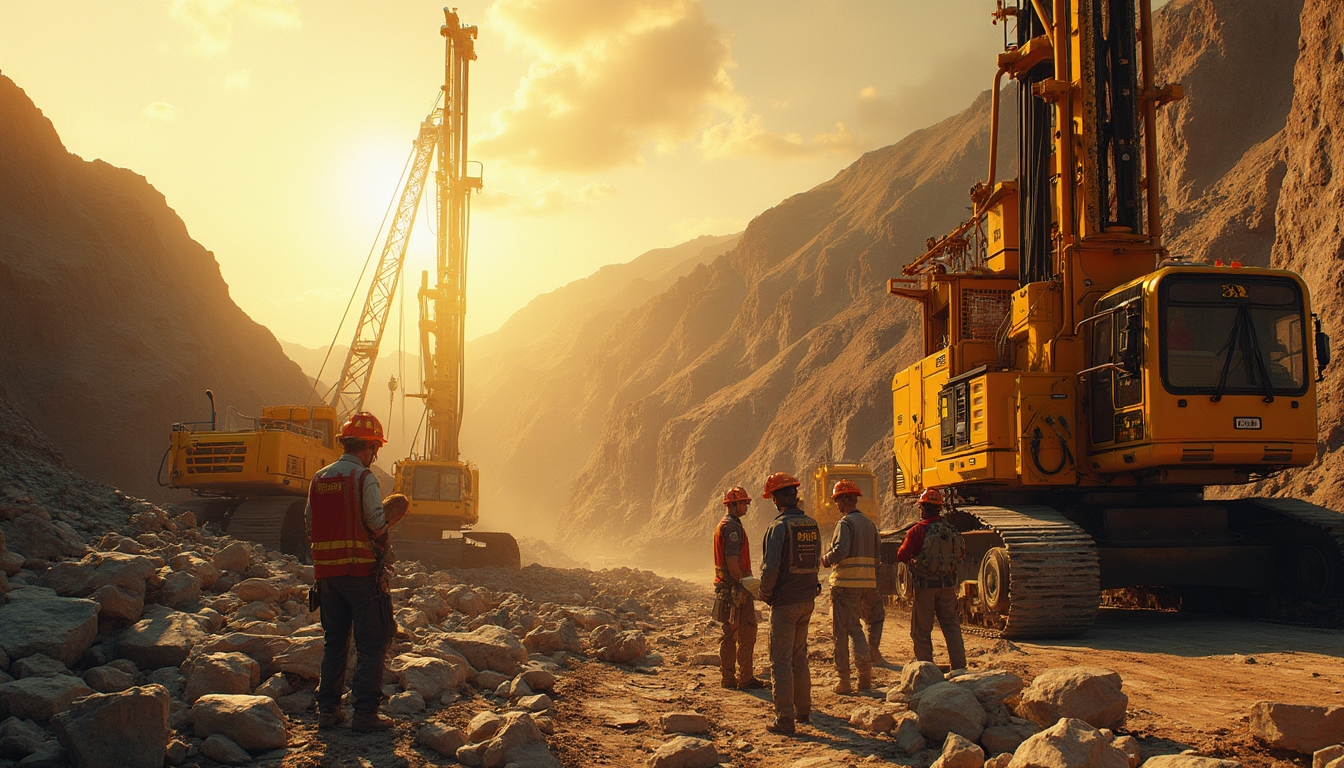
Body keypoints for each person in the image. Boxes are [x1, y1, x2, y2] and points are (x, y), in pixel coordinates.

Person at [308, 412, 404, 732]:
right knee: (371, 643)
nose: (374, 454)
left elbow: (310, 523)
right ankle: (365, 715)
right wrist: (389, 523)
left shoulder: (319, 478)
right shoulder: (363, 478)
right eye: (375, 447)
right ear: (369, 447)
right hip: (361, 575)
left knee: (334, 642)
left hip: (327, 578)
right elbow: (376, 523)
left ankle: (329, 712)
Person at [758, 472, 821, 735]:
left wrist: (764, 593)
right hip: (807, 600)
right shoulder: (811, 524)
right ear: (794, 495)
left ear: (775, 498)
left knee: (781, 660)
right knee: (798, 657)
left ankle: (785, 719)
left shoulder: (778, 527)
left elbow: (771, 568)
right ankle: (803, 710)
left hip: (784, 603)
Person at [820, 479, 882, 693]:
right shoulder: (869, 524)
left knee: (845, 632)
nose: (837, 505)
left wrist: (825, 560)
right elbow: (877, 554)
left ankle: (844, 681)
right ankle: (864, 679)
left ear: (847, 499)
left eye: (838, 500)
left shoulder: (845, 524)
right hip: (867, 585)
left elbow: (841, 551)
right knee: (856, 628)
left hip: (846, 585)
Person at [895, 487, 967, 671]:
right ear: (939, 508)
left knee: (921, 630)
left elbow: (902, 555)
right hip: (947, 586)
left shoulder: (918, 530)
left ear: (923, 508)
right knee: (951, 626)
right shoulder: (951, 530)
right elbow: (962, 554)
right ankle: (959, 667)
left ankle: (927, 669)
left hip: (926, 586)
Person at [713, 486, 766, 690]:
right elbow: (732, 561)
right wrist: (744, 584)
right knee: (747, 631)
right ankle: (745, 678)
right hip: (736, 589)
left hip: (725, 588)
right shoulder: (733, 528)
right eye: (743, 503)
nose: (747, 506)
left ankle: (727, 678)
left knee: (729, 633)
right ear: (733, 504)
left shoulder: (722, 526)